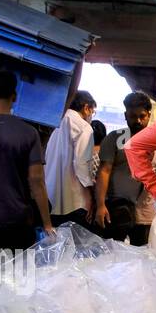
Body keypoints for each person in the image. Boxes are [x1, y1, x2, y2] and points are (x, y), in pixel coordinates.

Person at [0, 68, 52, 249]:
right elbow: (36, 181)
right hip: (16, 223)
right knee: (17, 275)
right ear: (15, 96)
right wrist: (47, 224)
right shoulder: (28, 133)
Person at [94, 90, 155, 244]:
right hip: (116, 210)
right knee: (113, 257)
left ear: (149, 114)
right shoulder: (114, 138)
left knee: (142, 258)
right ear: (125, 115)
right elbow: (104, 171)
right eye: (133, 116)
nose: (138, 121)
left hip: (145, 212)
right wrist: (100, 205)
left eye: (142, 116)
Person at [45, 89, 96, 228]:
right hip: (75, 201)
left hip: (51, 198)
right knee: (76, 246)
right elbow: (82, 164)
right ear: (86, 108)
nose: (91, 116)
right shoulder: (84, 127)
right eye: (93, 112)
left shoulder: (57, 122)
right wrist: (91, 191)